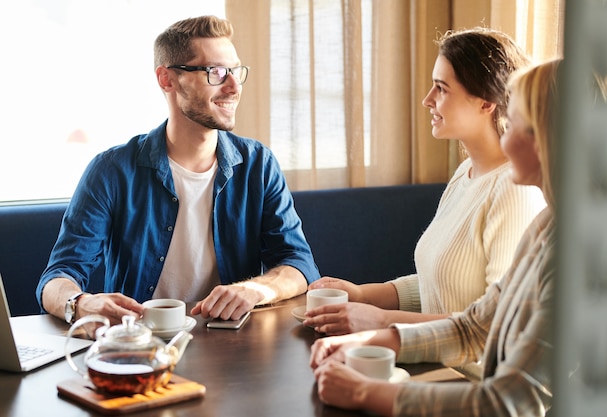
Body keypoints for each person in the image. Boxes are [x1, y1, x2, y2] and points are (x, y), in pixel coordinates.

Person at [309, 59, 561, 416]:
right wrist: (367, 340)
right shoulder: (547, 225)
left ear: (549, 139)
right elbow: (475, 327)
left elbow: (508, 402)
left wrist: (367, 393)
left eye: (516, 123)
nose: (504, 134)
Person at [36, 15, 320, 327]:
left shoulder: (259, 164)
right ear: (167, 79)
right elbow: (57, 277)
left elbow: (299, 264)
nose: (234, 86)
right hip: (142, 349)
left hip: (234, 347)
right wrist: (82, 303)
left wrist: (253, 289)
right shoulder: (112, 171)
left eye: (235, 71)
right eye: (216, 72)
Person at [304, 27, 546, 336]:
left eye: (441, 88)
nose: (427, 100)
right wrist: (364, 295)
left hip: (467, 376)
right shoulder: (466, 173)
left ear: (486, 102)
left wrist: (381, 320)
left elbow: (497, 326)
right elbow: (444, 285)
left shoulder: (515, 192)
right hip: (432, 357)